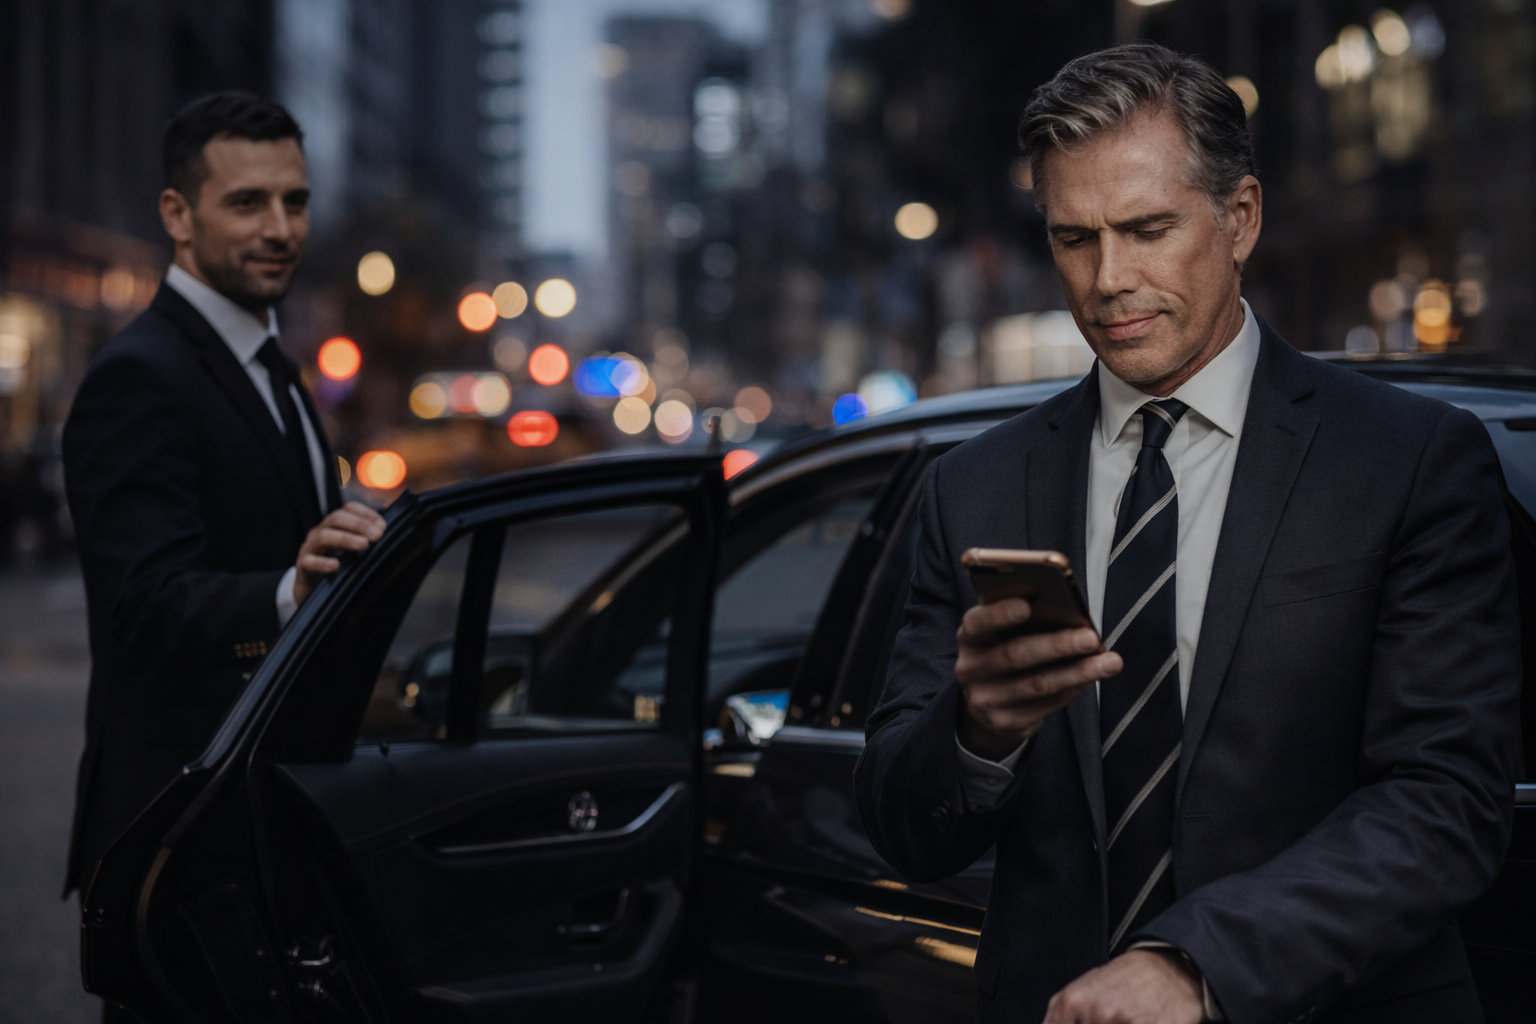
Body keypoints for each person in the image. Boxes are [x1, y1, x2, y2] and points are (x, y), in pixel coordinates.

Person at [854, 43, 1520, 1024]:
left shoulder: (1408, 460)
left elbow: (1445, 800)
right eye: (1074, 238)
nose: (1108, 278)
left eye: (1148, 229)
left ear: (1239, 217)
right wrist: (979, 732)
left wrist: (1196, 964)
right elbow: (898, 823)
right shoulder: (974, 488)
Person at [62, 93, 386, 907]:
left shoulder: (272, 363)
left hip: (262, 814)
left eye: (295, 201)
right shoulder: (140, 374)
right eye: (247, 203)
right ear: (177, 214)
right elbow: (141, 604)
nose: (280, 228)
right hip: (182, 828)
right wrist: (291, 591)